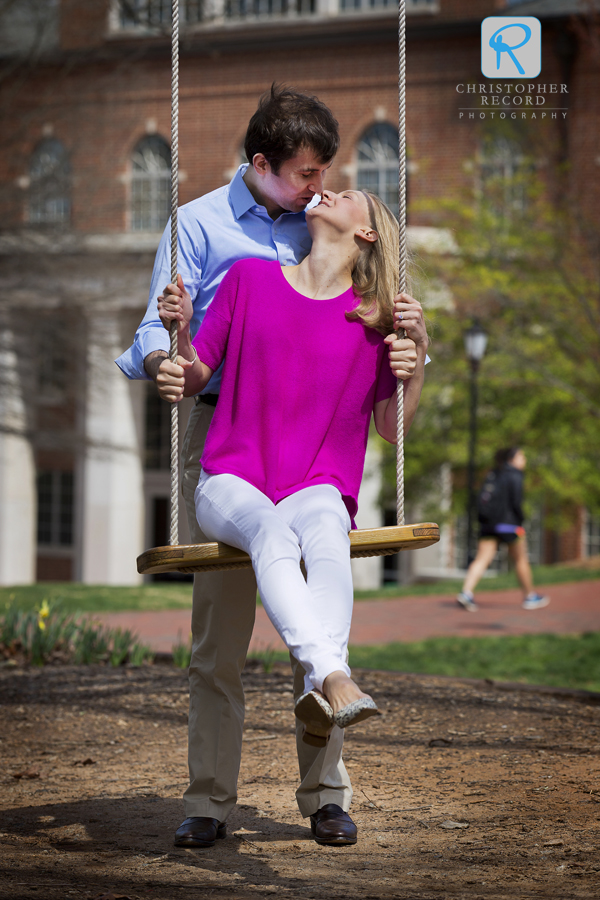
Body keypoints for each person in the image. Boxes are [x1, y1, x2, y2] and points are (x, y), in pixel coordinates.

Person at [116, 85, 421, 849]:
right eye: (307, 175)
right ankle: (210, 801)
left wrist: (415, 352)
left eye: (329, 175)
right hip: (227, 429)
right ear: (263, 165)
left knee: (310, 580)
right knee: (219, 647)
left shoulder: (346, 279)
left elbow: (386, 413)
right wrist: (169, 353)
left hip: (315, 448)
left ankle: (324, 792)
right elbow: (163, 330)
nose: (319, 189)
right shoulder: (202, 227)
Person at [456, 447, 550, 612]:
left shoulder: (492, 474)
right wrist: (520, 520)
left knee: (482, 559)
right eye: (521, 456)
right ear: (511, 460)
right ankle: (530, 596)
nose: (524, 460)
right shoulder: (515, 475)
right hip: (509, 526)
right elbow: (516, 502)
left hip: (489, 525)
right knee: (520, 560)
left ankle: (466, 592)